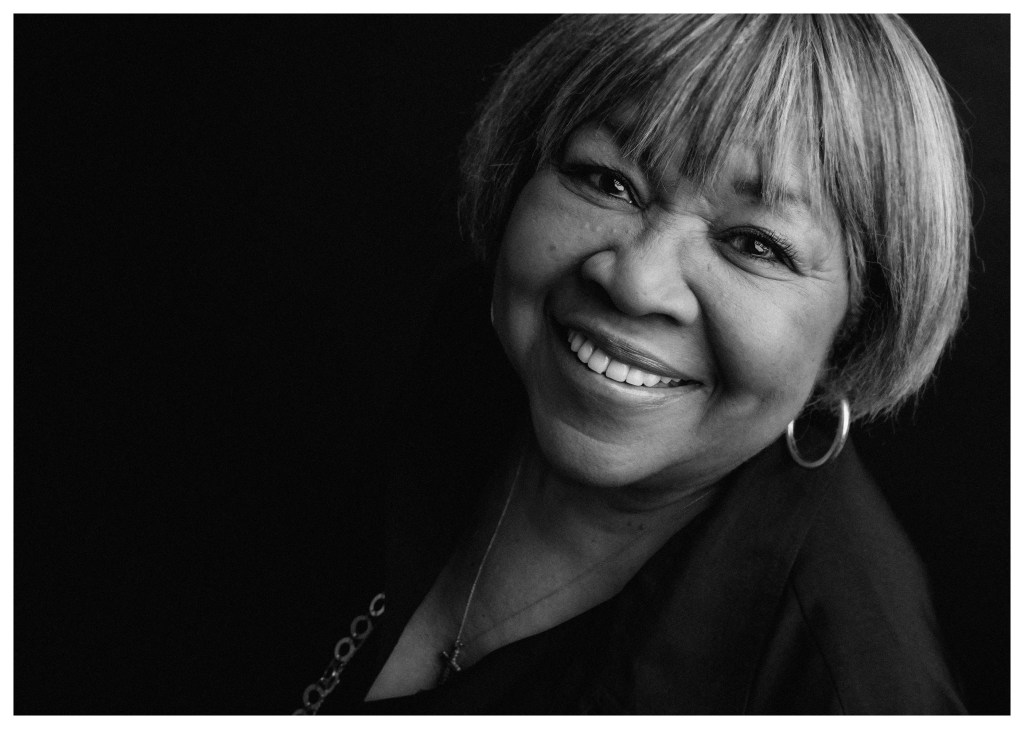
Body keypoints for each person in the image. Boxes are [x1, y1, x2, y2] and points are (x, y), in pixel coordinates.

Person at [293, 14, 970, 714]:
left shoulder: (851, 688)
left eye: (755, 244)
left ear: (855, 331)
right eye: (607, 180)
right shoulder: (462, 348)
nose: (636, 282)